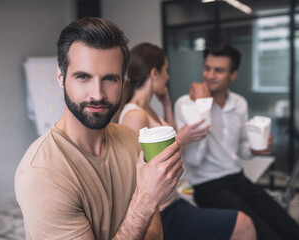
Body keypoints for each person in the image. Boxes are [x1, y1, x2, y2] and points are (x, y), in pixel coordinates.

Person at [15, 17, 184, 240]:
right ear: (60, 76)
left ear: (123, 81)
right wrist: (144, 200)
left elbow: (154, 234)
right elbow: (146, 210)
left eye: (110, 79)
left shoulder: (131, 139)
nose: (98, 94)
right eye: (83, 76)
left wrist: (150, 197)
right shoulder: (41, 173)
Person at [118, 42, 256, 240]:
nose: (169, 76)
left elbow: (168, 134)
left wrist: (166, 104)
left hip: (174, 200)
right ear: (154, 73)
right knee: (244, 224)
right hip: (162, 211)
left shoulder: (148, 109)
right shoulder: (134, 115)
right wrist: (180, 138)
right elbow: (143, 168)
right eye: (166, 70)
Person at [174, 43, 299, 240]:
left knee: (290, 229)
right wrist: (202, 106)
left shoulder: (239, 103)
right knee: (266, 234)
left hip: (237, 177)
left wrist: (255, 150)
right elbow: (194, 159)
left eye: (219, 70)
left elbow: (241, 150)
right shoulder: (186, 103)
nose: (210, 75)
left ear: (233, 74)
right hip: (206, 185)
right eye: (207, 68)